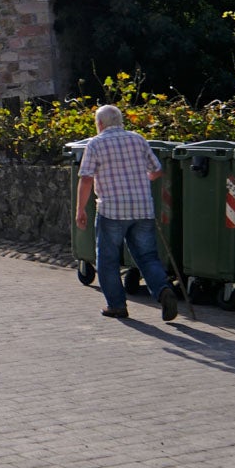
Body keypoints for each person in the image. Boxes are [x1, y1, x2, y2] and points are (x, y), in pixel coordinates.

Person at [75, 104, 177, 321]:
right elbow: (157, 170)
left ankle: (117, 305)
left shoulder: (96, 143)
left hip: (112, 209)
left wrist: (80, 209)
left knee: (108, 259)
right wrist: (141, 180)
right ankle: (163, 290)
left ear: (100, 124)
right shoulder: (138, 139)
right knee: (147, 256)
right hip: (142, 208)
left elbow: (85, 178)